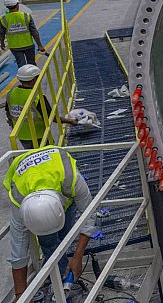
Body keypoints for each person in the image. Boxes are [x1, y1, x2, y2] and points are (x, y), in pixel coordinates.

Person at [3, 146, 96, 300]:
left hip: (58, 184)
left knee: (66, 235)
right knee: (49, 243)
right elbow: (18, 252)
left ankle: (62, 275)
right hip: (30, 180)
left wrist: (78, 256)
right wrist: (21, 295)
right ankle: (58, 280)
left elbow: (89, 216)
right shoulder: (19, 199)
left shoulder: (70, 179)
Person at [5, 65, 78, 149]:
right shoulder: (37, 97)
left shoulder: (11, 93)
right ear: (33, 80)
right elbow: (52, 117)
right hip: (39, 135)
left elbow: (8, 112)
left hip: (21, 134)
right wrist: (70, 121)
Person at [0, 0, 46, 68]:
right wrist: (39, 45)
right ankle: (34, 78)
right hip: (28, 45)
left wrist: (2, 43)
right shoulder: (26, 16)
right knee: (31, 64)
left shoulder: (3, 19)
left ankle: (24, 78)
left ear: (7, 7)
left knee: (21, 65)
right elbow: (34, 32)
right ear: (17, 4)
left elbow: (1, 33)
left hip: (14, 46)